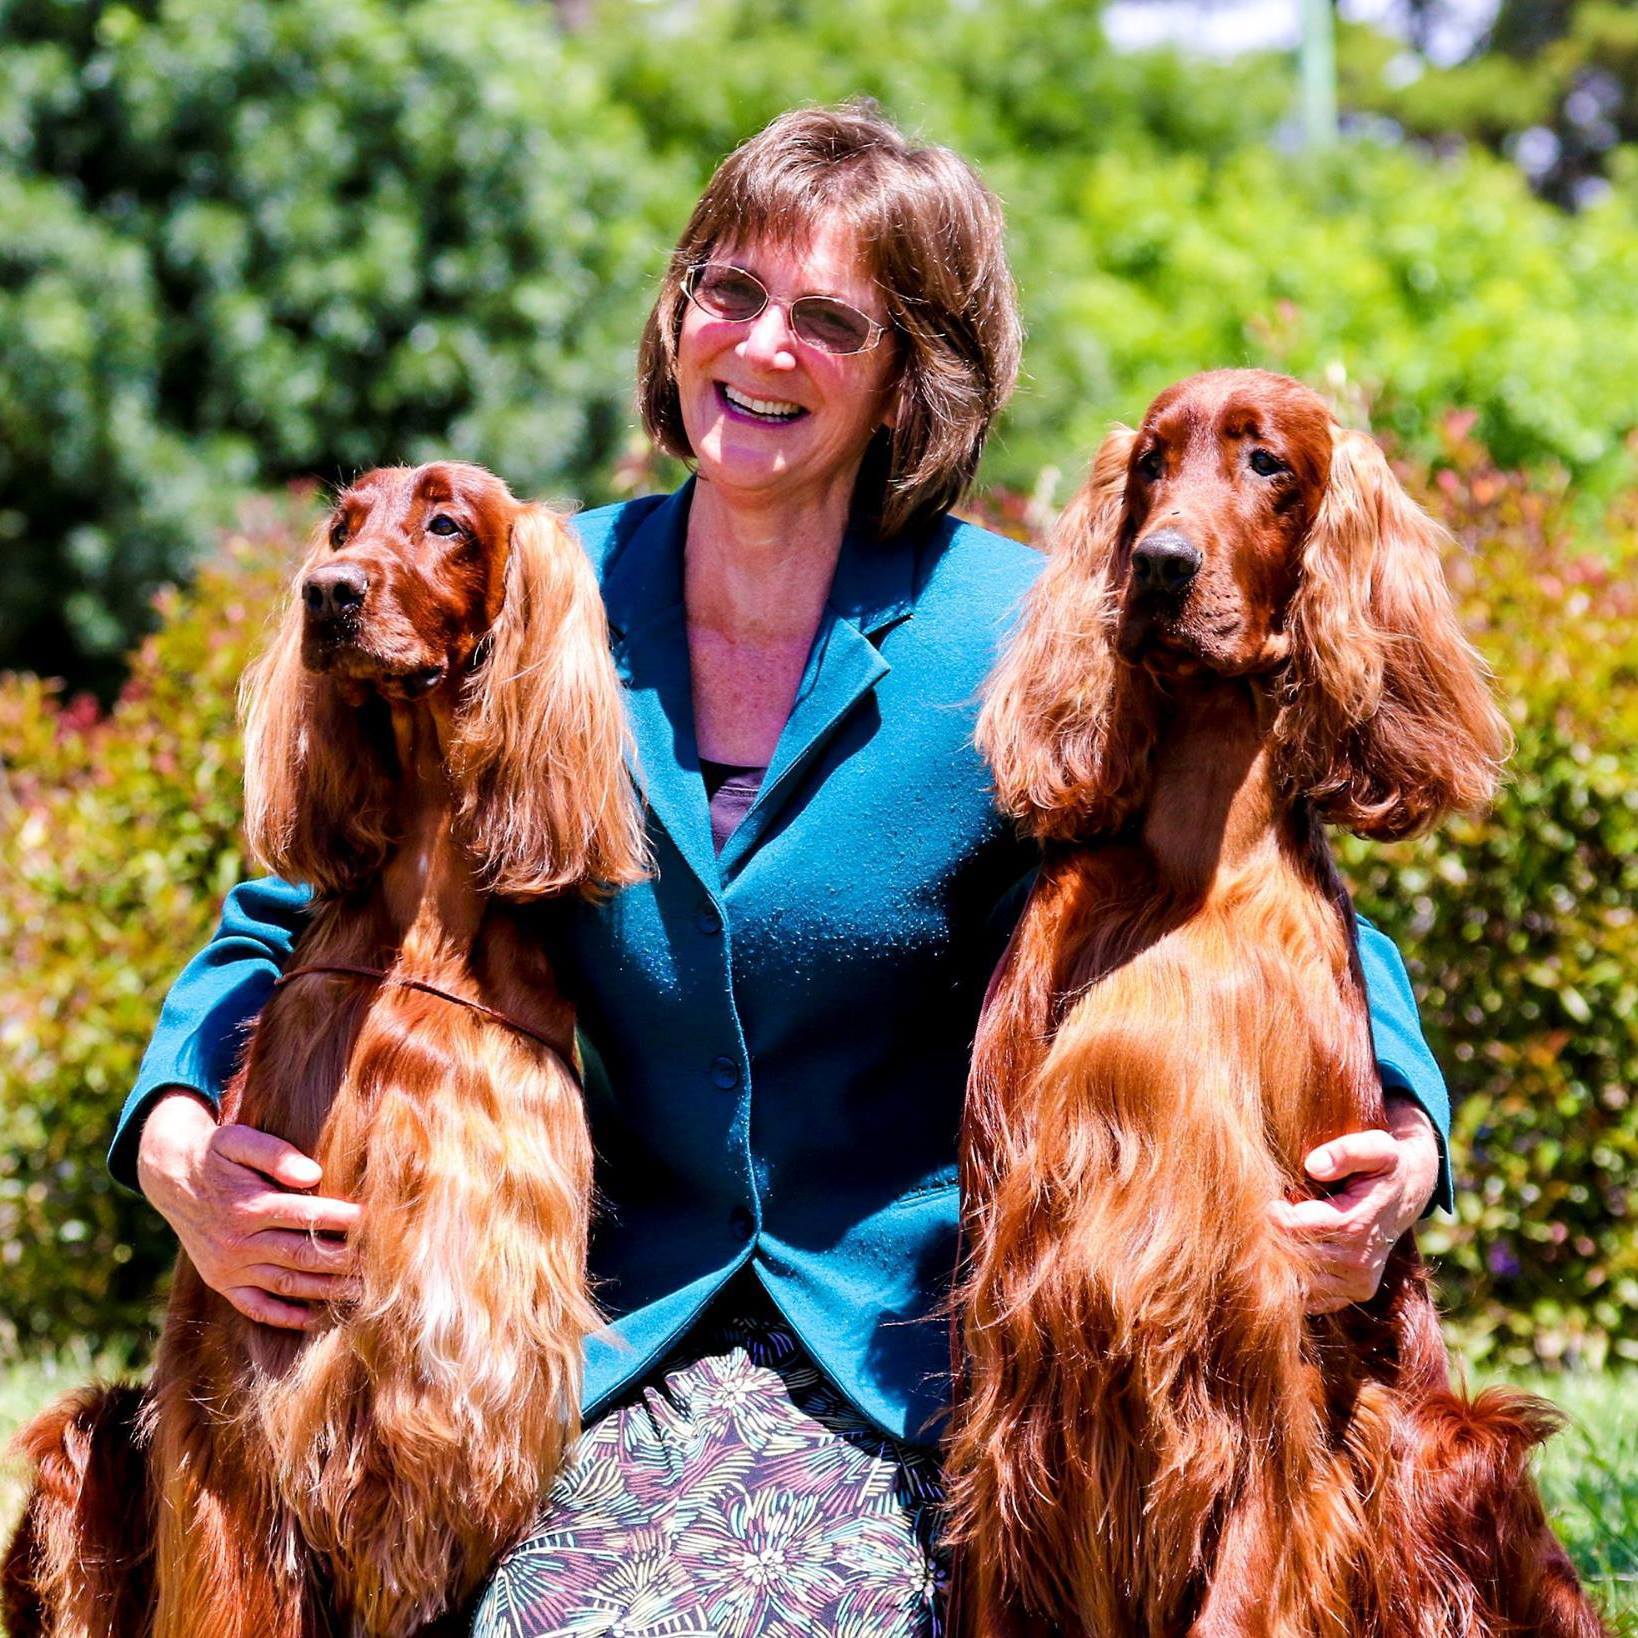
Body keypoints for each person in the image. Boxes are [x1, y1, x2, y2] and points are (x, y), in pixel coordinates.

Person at [111, 103, 1449, 1636]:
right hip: (618, 1322)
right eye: (728, 293)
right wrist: (170, 1132)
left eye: (828, 320)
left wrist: (1406, 1137)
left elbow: (1238, 881)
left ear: (908, 379)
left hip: (915, 1349)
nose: (756, 350)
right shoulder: (542, 594)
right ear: (677, 310)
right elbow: (312, 891)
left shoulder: (1000, 629)